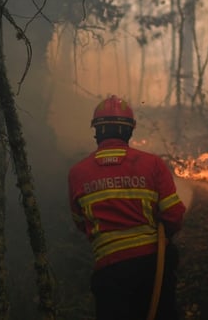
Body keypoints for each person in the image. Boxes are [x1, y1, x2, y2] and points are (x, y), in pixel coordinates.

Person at [68, 95, 187, 320]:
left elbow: (81, 223)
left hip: (109, 273)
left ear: (97, 131)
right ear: (129, 131)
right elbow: (173, 215)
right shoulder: (151, 164)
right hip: (153, 269)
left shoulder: (77, 173)